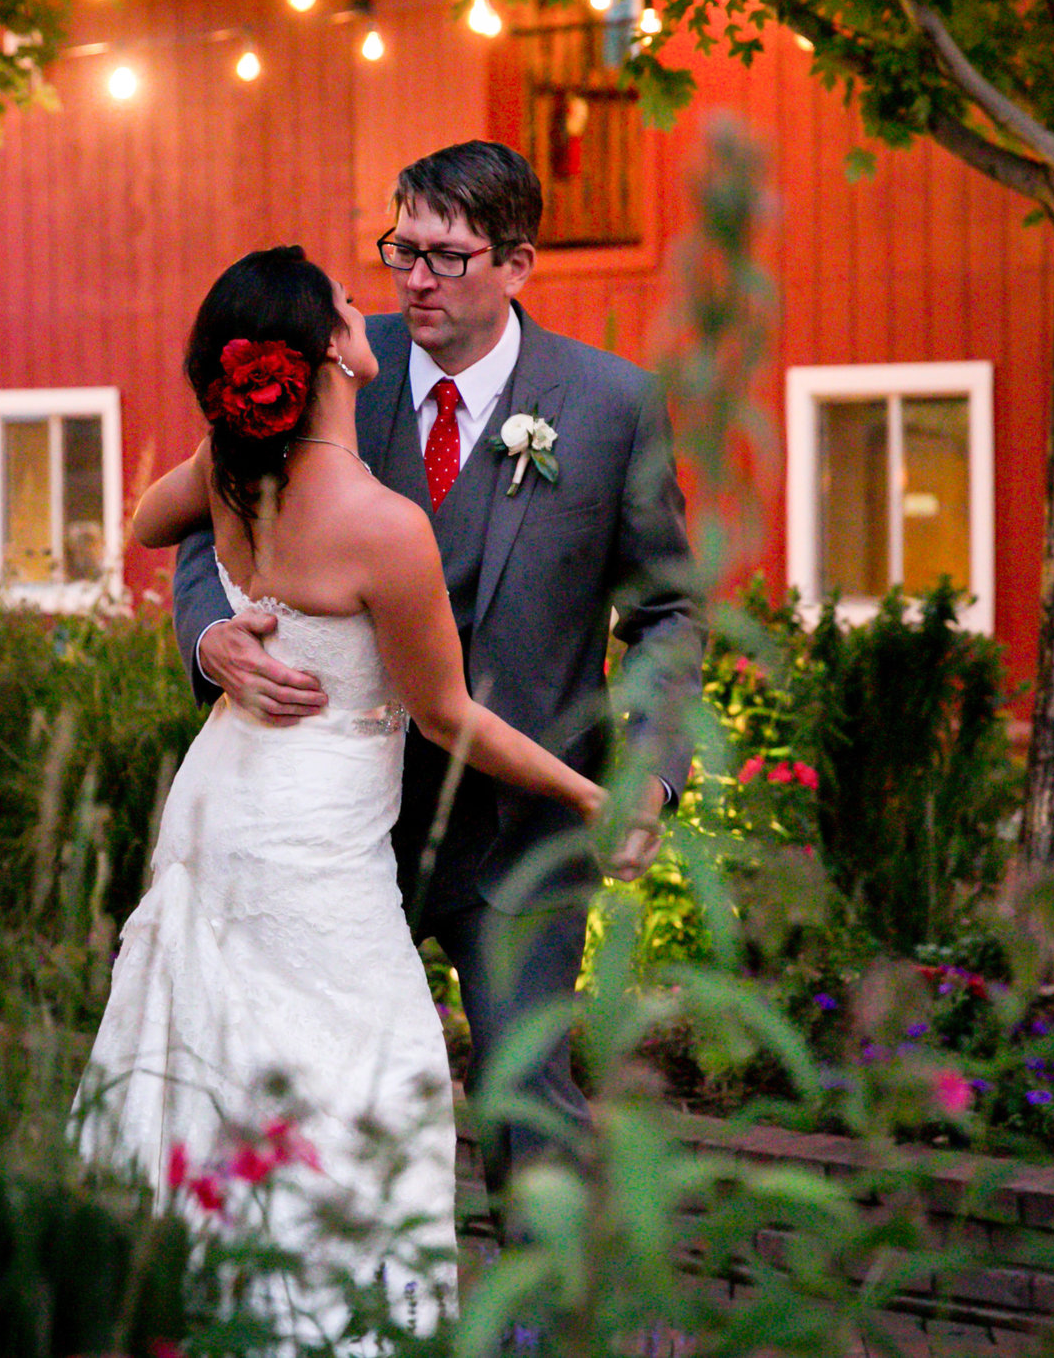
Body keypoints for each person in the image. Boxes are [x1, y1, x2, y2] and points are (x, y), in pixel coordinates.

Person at [76, 244, 606, 1347]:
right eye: (349, 301)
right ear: (326, 353)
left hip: (223, 803)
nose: (372, 306)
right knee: (376, 1081)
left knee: (230, 1076)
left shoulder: (227, 472)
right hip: (316, 840)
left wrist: (229, 609)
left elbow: (142, 523)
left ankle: (217, 1302)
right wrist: (590, 795)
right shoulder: (380, 524)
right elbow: (449, 716)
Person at [175, 141, 704, 1206]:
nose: (413, 278)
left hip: (520, 827)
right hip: (332, 824)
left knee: (527, 1109)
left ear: (517, 263)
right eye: (401, 248)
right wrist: (208, 635)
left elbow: (666, 610)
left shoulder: (610, 405)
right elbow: (205, 514)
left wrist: (645, 780)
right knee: (312, 1098)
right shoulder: (328, 359)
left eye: (446, 257)